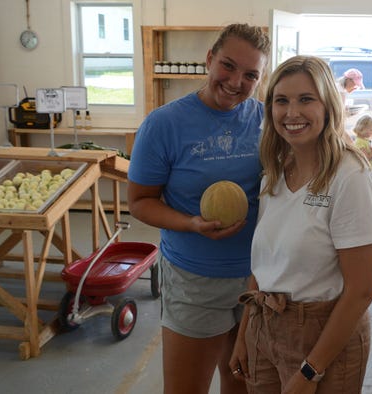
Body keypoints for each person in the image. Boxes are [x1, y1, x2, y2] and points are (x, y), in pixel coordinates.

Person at [229, 55, 372, 394]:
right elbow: (265, 261)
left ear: (328, 105)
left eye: (306, 99)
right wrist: (245, 335)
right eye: (281, 101)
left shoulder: (350, 178)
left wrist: (309, 371)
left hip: (323, 337)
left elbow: (361, 291)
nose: (292, 113)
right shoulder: (274, 172)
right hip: (264, 325)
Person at [127, 23, 270, 394]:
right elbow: (140, 203)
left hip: (261, 280)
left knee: (243, 385)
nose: (237, 81)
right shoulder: (164, 124)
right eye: (228, 65)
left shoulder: (266, 121)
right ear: (209, 59)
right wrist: (191, 222)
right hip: (195, 279)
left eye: (251, 74)